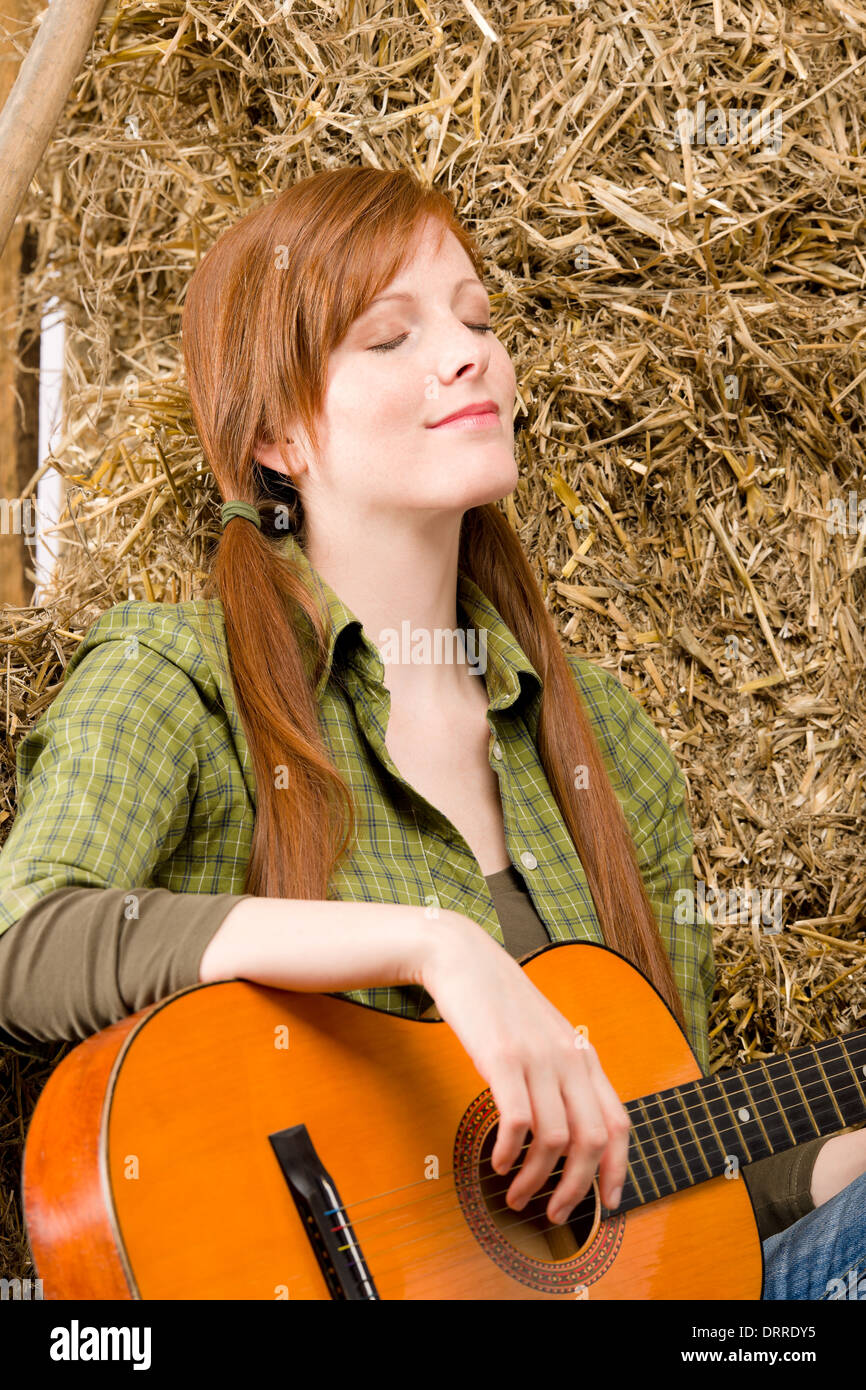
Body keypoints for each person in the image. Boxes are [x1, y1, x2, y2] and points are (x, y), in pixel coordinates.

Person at [0, 166, 863, 1300]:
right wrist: (431, 947)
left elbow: (666, 1183)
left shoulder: (602, 742)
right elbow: (28, 938)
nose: (467, 356)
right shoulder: (177, 674)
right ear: (274, 438)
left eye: (476, 321)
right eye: (389, 336)